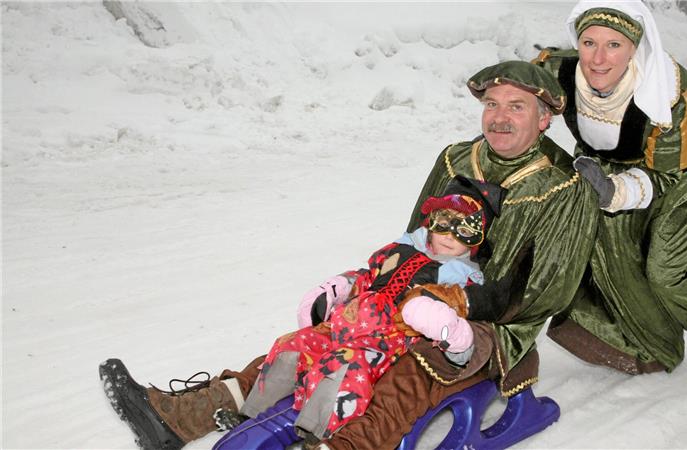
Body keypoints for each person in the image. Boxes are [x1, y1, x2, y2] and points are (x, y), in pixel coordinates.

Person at [99, 60, 600, 450]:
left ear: (545, 117)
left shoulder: (563, 189)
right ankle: (178, 417)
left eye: (516, 106)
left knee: (405, 374)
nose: (500, 116)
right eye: (492, 103)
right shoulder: (456, 157)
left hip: (489, 322)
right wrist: (373, 282)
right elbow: (415, 237)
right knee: (320, 339)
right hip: (410, 293)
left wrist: (455, 309)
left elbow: (545, 292)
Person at [99, 175, 511, 448]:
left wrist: (447, 325)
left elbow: (469, 314)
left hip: (386, 341)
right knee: (291, 348)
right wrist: (341, 286)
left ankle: (319, 435)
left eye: (465, 229)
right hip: (347, 323)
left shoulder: (462, 277)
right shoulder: (403, 248)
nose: (449, 235)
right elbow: (371, 274)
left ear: (477, 240)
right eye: (443, 222)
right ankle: (225, 416)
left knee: (344, 372)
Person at [530, 0, 687, 375]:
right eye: (589, 43)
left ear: (635, 48)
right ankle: (644, 340)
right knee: (606, 247)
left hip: (683, 169)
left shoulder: (669, 95)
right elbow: (517, 91)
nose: (598, 58)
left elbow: (666, 177)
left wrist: (614, 192)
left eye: (614, 45)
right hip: (610, 162)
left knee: (668, 269)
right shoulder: (558, 69)